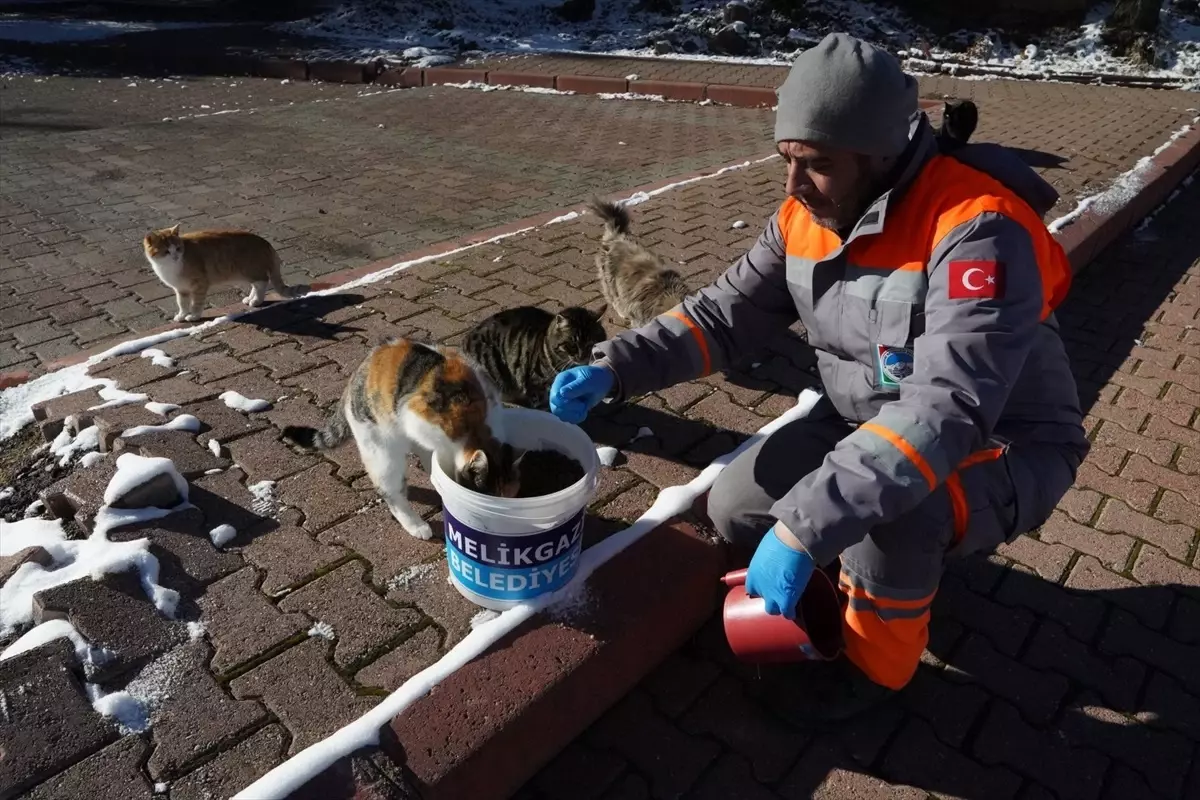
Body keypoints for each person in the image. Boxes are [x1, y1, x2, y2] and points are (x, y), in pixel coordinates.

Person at [547, 32, 1089, 722]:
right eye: (787, 160)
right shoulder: (805, 215)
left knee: (894, 512)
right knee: (736, 506)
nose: (794, 186)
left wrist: (806, 529)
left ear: (883, 154)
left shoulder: (978, 230)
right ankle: (850, 572)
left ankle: (872, 674)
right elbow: (722, 317)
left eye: (818, 165)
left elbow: (946, 410)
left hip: (1001, 443)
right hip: (869, 419)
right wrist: (614, 369)